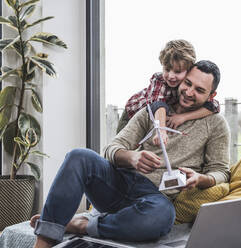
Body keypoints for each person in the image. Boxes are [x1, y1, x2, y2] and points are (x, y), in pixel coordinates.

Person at [31, 60, 230, 248]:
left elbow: (221, 171)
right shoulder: (152, 111)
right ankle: (44, 241)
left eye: (199, 90)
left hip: (155, 198)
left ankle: (82, 225)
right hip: (120, 183)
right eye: (187, 83)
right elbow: (111, 149)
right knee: (79, 156)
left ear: (212, 96)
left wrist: (201, 178)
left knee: (161, 217)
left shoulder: (216, 124)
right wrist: (133, 158)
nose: (188, 92)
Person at [117, 40, 220, 146]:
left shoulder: (185, 84)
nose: (170, 76)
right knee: (126, 146)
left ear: (189, 70)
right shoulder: (159, 80)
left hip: (150, 121)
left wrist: (183, 117)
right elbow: (158, 104)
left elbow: (214, 106)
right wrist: (161, 131)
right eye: (167, 69)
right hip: (131, 114)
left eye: (177, 72)